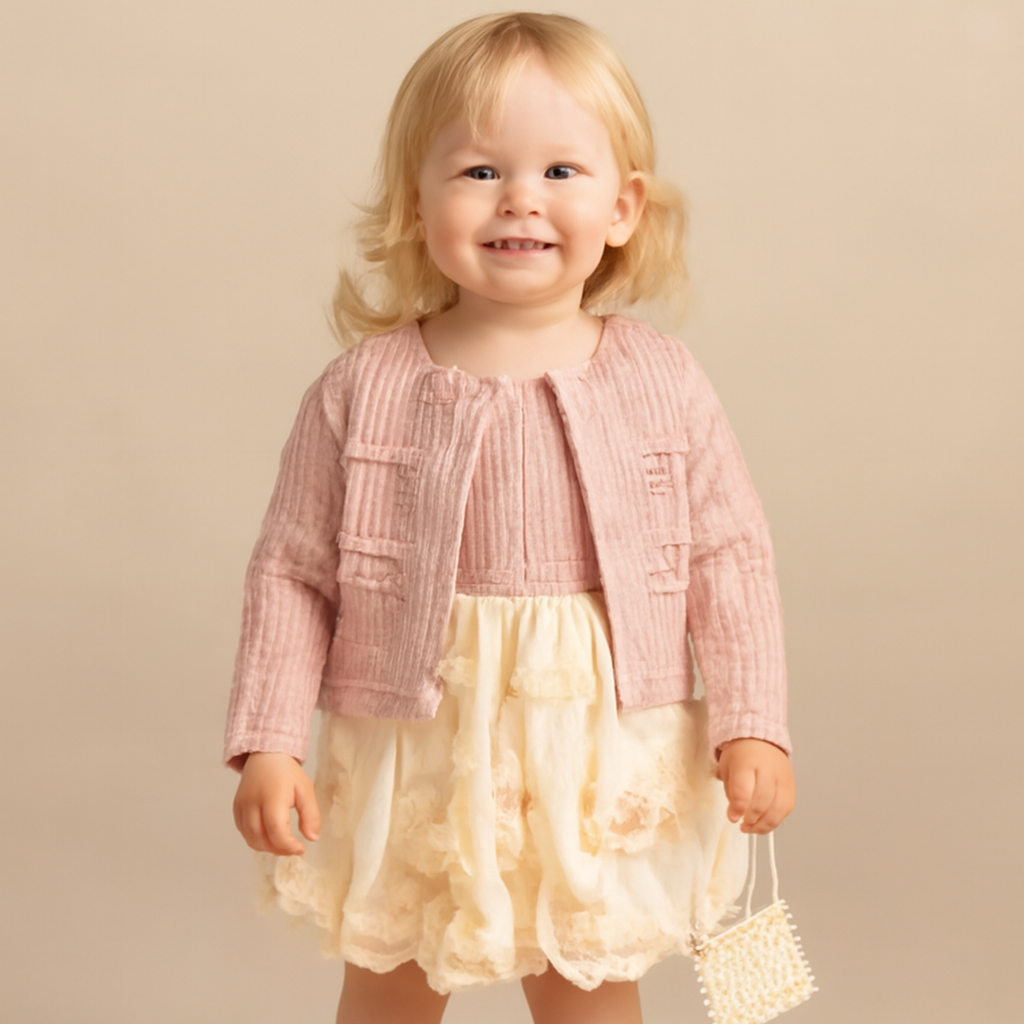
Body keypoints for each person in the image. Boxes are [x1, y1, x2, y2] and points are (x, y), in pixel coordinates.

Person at [225, 12, 795, 1024]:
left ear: (622, 207)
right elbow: (293, 571)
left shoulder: (661, 380)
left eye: (560, 171)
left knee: (587, 974)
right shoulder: (364, 387)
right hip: (417, 734)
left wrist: (754, 722)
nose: (520, 198)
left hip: (597, 731)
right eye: (480, 171)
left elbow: (728, 556)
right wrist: (268, 740)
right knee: (392, 970)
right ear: (417, 205)